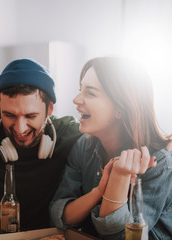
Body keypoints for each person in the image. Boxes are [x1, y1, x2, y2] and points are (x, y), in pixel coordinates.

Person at [49, 57, 172, 239]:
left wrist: (119, 178)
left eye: (90, 93)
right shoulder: (84, 145)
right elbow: (60, 215)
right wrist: (98, 192)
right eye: (80, 90)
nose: (76, 100)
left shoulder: (159, 163)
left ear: (121, 108)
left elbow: (121, 236)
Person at [0, 59, 82, 231]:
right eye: (9, 115)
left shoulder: (69, 133)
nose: (19, 129)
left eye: (30, 116)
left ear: (49, 109)